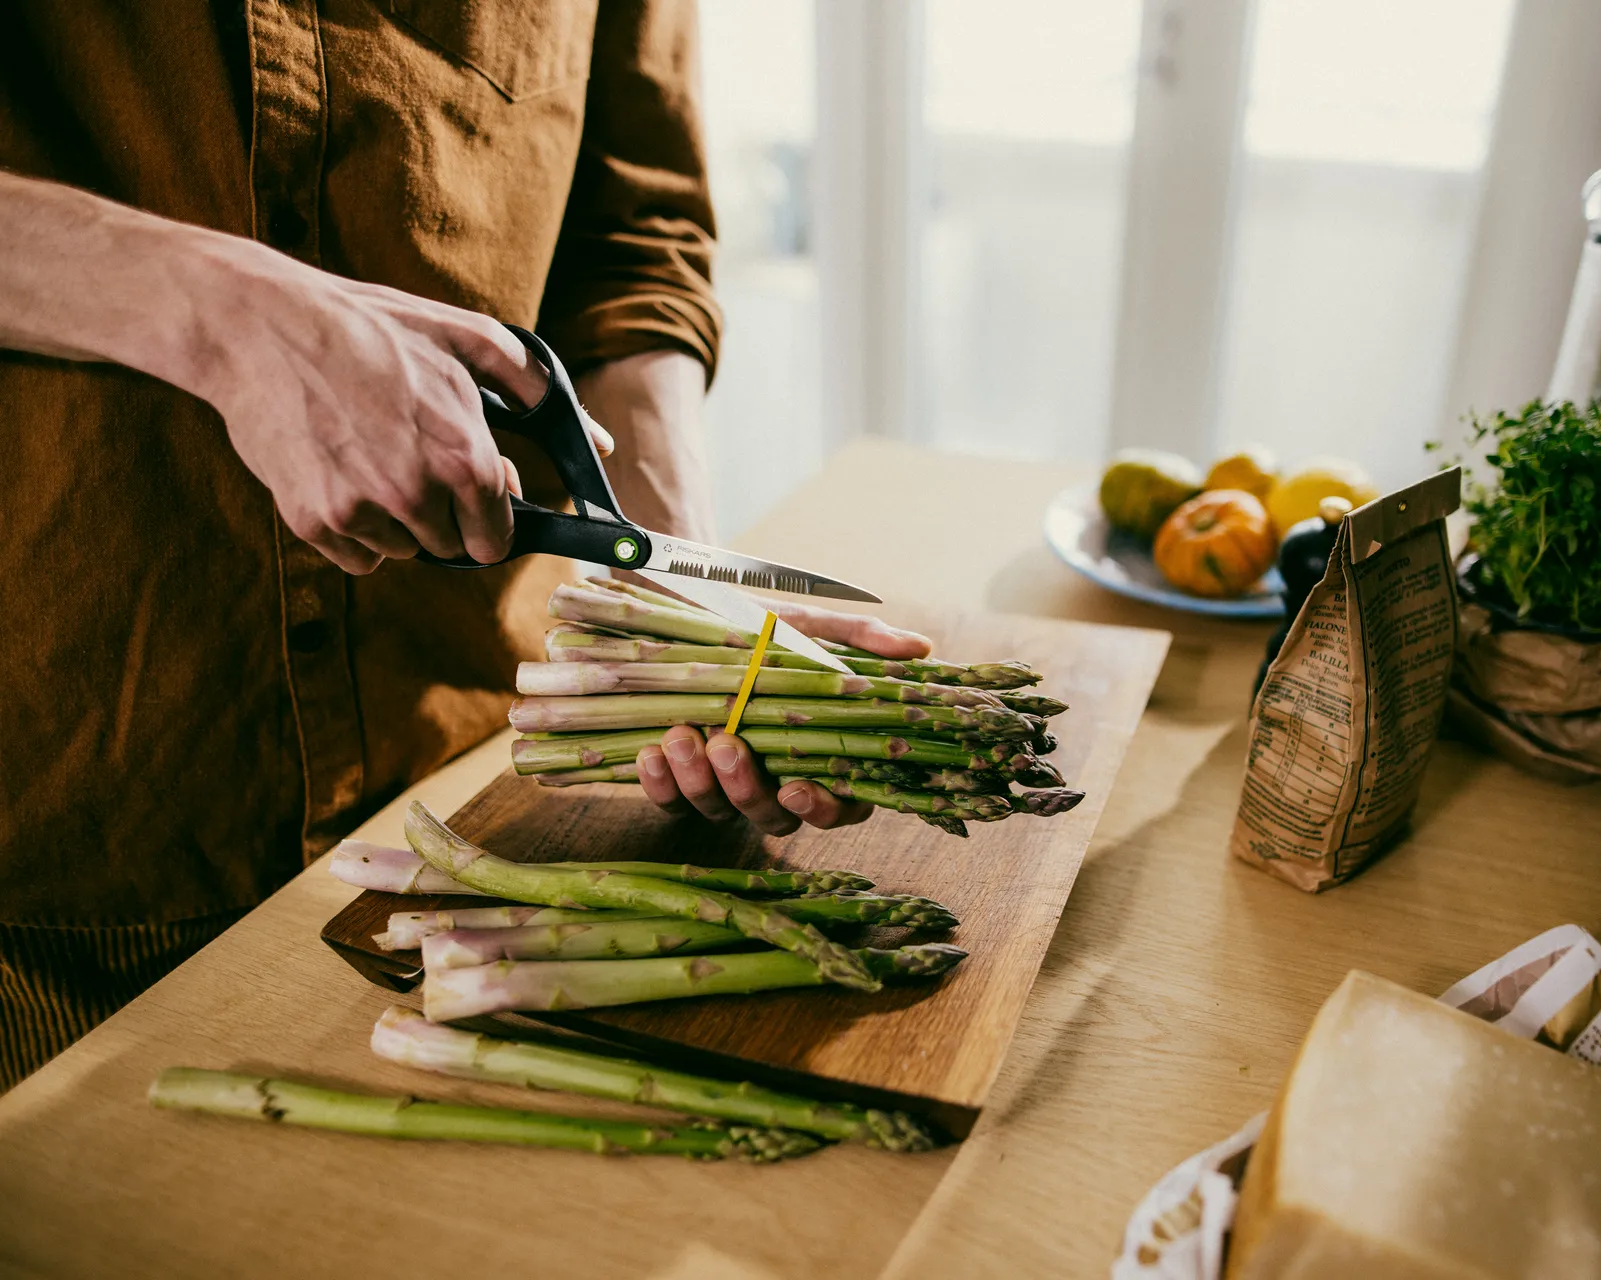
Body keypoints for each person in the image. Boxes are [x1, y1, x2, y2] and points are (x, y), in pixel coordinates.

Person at [0, 2, 925, 1089]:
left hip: (484, 796)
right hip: (67, 839)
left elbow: (633, 241)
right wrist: (229, 312)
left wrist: (686, 587)